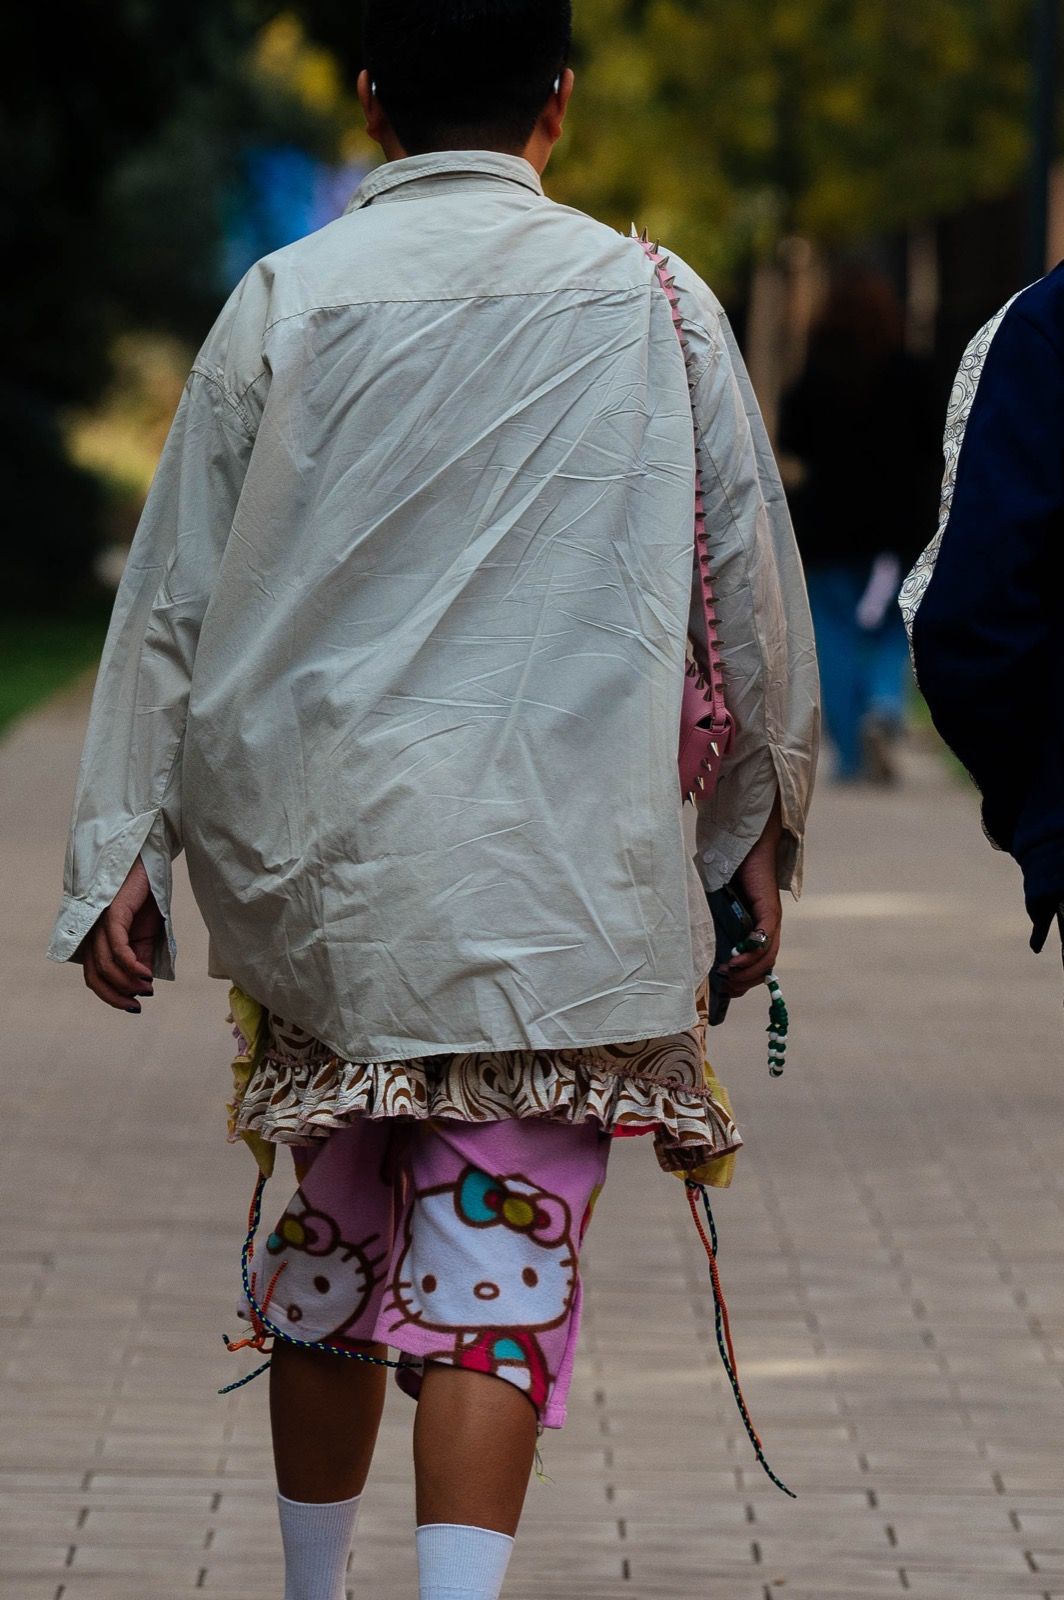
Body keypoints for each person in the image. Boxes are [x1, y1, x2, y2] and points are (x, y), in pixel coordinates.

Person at [48, 3, 819, 1596]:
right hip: (559, 876)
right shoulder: (658, 303)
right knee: (495, 1267)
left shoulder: (287, 298)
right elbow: (752, 597)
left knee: (331, 1243)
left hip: (327, 881)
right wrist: (753, 828)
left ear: (371, 103)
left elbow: (172, 598)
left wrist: (122, 843)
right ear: (560, 104)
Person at [900, 267, 1064, 958]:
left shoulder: (1043, 325)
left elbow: (969, 614)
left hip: (842, 531)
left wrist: (1038, 799)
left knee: (846, 622)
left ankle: (865, 720)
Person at [779, 268, 941, 783]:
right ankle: (884, 702)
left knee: (835, 636)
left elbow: (792, 439)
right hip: (895, 534)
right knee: (891, 625)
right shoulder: (911, 374)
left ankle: (850, 753)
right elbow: (936, 444)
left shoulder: (816, 377)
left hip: (828, 532)